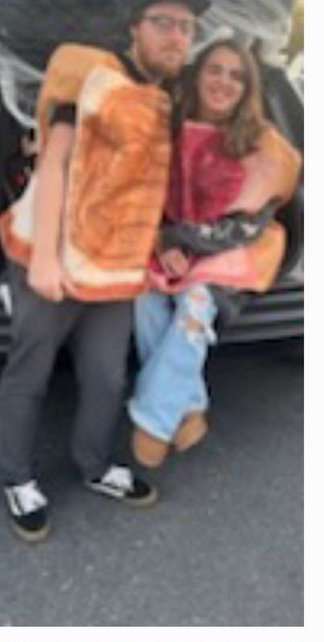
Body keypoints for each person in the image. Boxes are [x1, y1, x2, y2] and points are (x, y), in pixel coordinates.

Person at [0, 0, 212, 541]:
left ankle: (93, 467)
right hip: (55, 255)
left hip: (114, 267)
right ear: (134, 29)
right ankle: (16, 477)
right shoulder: (90, 76)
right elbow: (56, 164)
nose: (175, 36)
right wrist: (44, 256)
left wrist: (164, 236)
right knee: (31, 372)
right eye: (162, 22)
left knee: (105, 378)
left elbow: (145, 179)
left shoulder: (166, 99)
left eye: (185, 27)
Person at [129, 38, 302, 466]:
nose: (225, 82)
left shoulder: (263, 143)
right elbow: (145, 194)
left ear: (248, 87)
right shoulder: (169, 128)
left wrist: (181, 243)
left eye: (237, 75)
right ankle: (187, 409)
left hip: (235, 249)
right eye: (215, 69)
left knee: (196, 300)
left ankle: (152, 420)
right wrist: (163, 238)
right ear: (197, 74)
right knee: (144, 299)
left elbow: (247, 225)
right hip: (173, 243)